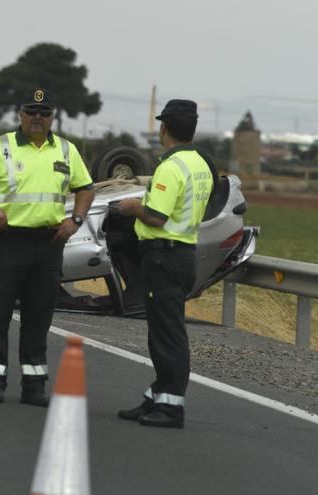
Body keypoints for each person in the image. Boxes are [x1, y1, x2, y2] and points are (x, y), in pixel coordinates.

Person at [0, 88, 94, 406]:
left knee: (39, 316)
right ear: (20, 113)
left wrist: (76, 219)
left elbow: (85, 188)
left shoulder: (66, 150)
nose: (37, 117)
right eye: (31, 111)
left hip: (49, 243)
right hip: (9, 241)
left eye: (44, 112)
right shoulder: (0, 147)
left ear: (53, 116)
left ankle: (34, 385)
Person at [116, 99, 214, 428]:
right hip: (183, 252)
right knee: (165, 329)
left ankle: (171, 406)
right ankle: (157, 396)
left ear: (163, 127)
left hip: (164, 255)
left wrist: (132, 207)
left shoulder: (171, 167)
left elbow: (156, 217)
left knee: (167, 334)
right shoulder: (201, 163)